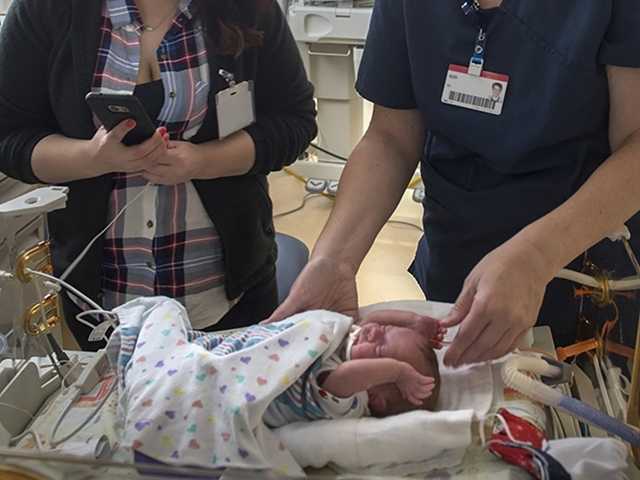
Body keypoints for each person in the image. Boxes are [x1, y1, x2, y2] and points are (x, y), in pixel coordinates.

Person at [269, 0, 640, 368]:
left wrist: (538, 255)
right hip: (458, 256)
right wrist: (334, 260)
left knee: (580, 405)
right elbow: (391, 137)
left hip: (581, 265)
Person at [0, 0, 317, 350]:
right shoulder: (46, 10)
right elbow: (8, 137)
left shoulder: (245, 8)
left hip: (229, 296)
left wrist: (203, 161)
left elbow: (295, 121)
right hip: (101, 305)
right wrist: (93, 158)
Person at [264, 310, 443, 427]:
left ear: (376, 399)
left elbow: (343, 377)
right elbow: (371, 320)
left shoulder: (351, 402)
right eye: (385, 329)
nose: (374, 332)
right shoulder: (350, 338)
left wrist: (398, 372)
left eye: (380, 349)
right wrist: (413, 321)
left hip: (256, 390)